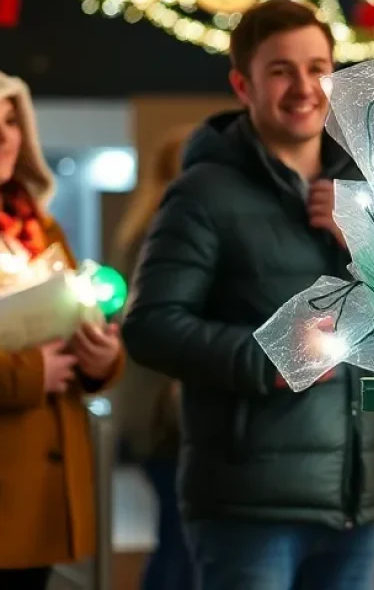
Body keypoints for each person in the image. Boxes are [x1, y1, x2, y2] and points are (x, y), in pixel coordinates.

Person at [122, 0, 374, 590]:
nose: (303, 88)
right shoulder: (202, 193)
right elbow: (150, 326)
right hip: (247, 508)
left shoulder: (366, 189)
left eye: (317, 68)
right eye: (280, 71)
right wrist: (270, 358)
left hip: (359, 500)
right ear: (243, 84)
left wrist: (365, 242)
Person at [0, 72, 124, 588]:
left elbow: (80, 320)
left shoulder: (37, 227)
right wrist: (28, 373)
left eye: (11, 120)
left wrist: (101, 358)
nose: (6, 135)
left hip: (40, 488)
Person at [112, 128, 193, 590]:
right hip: (169, 412)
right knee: (180, 540)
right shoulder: (167, 228)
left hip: (152, 410)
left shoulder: (143, 226)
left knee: (175, 534)